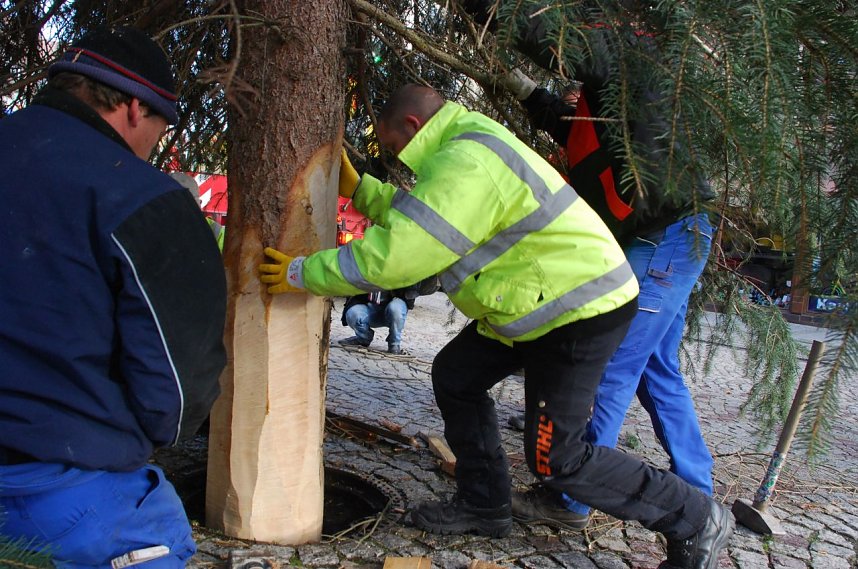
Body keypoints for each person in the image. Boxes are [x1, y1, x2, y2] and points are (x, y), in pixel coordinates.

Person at [259, 84, 733, 569]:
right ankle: (484, 504)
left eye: (395, 147)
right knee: (456, 375)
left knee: (558, 459)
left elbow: (399, 255)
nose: (396, 159)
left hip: (577, 311)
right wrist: (362, 192)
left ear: (413, 127)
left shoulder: (465, 161)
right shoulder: (461, 146)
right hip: (534, 304)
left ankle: (695, 517)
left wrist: (302, 273)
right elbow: (424, 219)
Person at [477, 1, 718, 533]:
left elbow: (563, 45)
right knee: (656, 370)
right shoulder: (601, 112)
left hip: (666, 236)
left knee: (610, 367)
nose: (566, 85)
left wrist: (489, 10)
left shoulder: (626, 63)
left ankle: (573, 500)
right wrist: (513, 83)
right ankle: (700, 492)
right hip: (677, 232)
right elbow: (564, 123)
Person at [0, 26, 227, 568]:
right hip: (59, 484)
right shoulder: (142, 198)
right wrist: (144, 438)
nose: (156, 143)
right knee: (158, 540)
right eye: (160, 126)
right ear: (132, 108)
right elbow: (178, 383)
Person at [340, 278, 437, 354]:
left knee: (396, 309)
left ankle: (394, 344)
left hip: (394, 305)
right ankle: (363, 338)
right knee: (353, 313)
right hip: (369, 306)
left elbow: (426, 288)